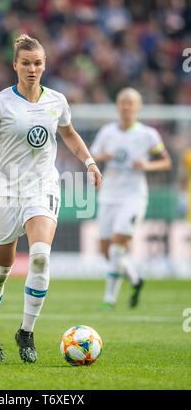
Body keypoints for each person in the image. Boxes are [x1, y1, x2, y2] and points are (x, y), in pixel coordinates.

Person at [0, 34, 102, 363]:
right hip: (5, 190)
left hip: (43, 185)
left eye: (37, 63)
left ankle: (26, 331)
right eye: (25, 63)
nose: (32, 68)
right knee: (0, 271)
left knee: (40, 256)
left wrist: (90, 161)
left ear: (44, 66)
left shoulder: (56, 101)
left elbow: (68, 133)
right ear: (15, 65)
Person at [89, 88, 171, 310]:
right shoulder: (107, 132)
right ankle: (135, 278)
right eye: (123, 102)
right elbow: (90, 155)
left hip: (133, 197)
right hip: (108, 196)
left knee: (117, 249)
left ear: (137, 107)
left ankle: (109, 300)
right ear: (117, 106)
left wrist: (147, 165)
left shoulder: (148, 134)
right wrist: (102, 156)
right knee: (106, 251)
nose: (126, 107)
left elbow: (165, 161)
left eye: (130, 103)